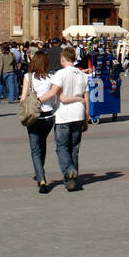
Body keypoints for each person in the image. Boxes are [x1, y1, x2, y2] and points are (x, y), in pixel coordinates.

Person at [37, 46, 89, 191]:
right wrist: (86, 117)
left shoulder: (60, 74)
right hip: (79, 114)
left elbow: (53, 93)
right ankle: (72, 180)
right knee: (74, 148)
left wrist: (36, 100)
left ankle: (68, 171)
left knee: (62, 147)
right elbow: (86, 98)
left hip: (64, 115)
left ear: (63, 59)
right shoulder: (82, 75)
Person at [20, 50, 57, 193]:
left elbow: (23, 98)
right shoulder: (51, 78)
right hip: (48, 117)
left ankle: (41, 179)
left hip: (34, 117)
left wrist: (27, 102)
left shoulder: (28, 77)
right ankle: (39, 171)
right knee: (42, 145)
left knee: (35, 150)